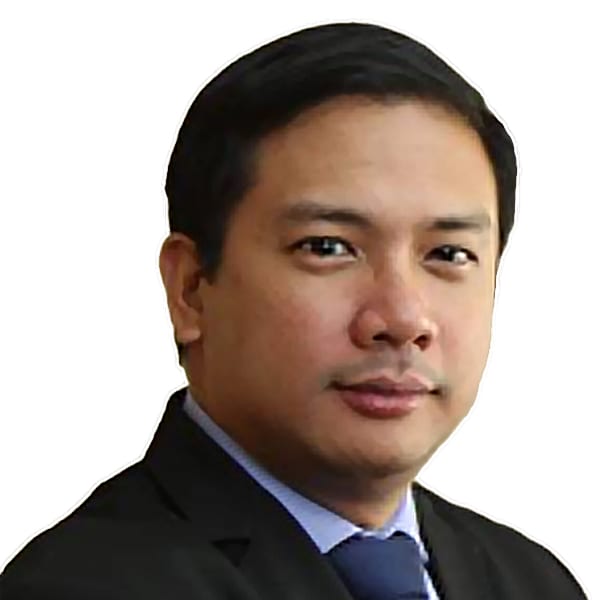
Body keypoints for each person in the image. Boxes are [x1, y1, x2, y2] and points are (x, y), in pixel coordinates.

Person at [0, 21, 587, 600]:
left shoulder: (534, 581)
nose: (403, 320)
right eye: (327, 247)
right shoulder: (82, 585)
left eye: (448, 254)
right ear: (191, 289)